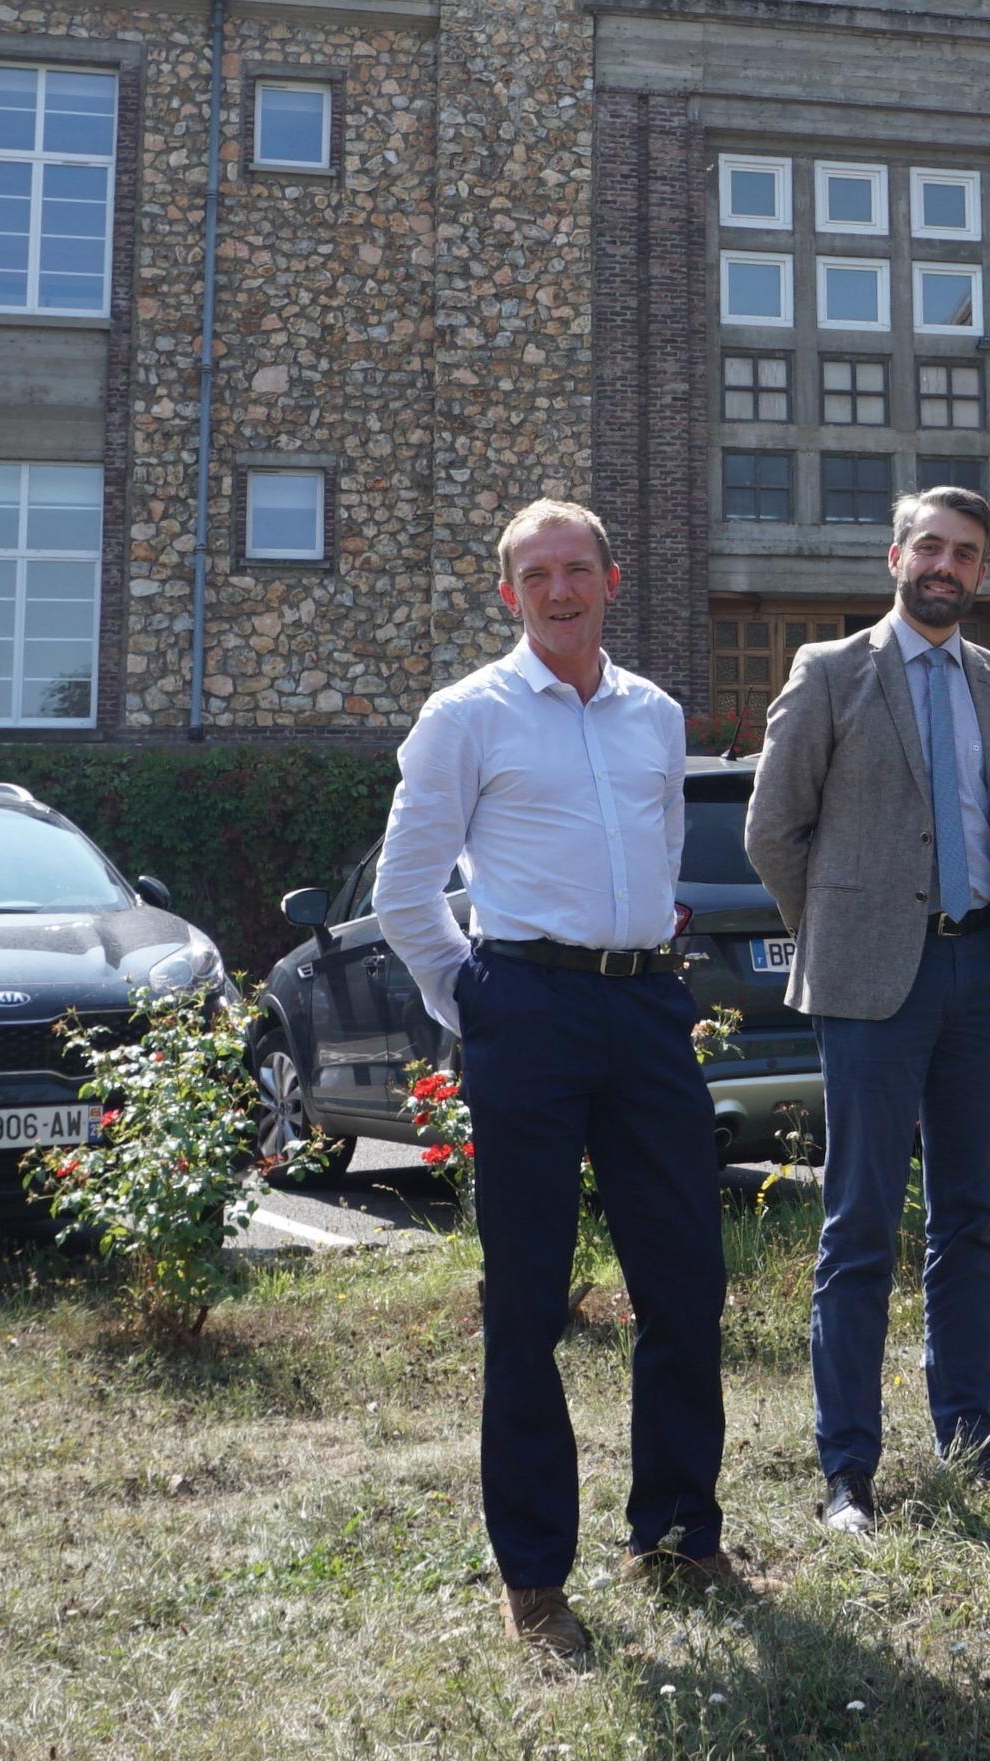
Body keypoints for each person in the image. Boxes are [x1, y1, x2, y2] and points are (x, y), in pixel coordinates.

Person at [374, 498, 769, 1666]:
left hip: (645, 1010)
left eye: (576, 569)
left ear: (611, 578)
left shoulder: (654, 714)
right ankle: (536, 1577)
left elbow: (656, 856)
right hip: (528, 1010)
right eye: (535, 574)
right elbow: (405, 892)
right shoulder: (465, 717)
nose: (558, 590)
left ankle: (679, 1534)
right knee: (530, 1300)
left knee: (685, 1284)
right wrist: (483, 1003)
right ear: (510, 593)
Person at [744, 485, 990, 1537]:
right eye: (931, 547)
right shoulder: (830, 672)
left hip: (986, 974)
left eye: (966, 553)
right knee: (860, 1222)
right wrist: (843, 930)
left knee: (972, 1219)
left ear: (981, 571)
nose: (946, 567)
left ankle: (968, 1438)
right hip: (873, 983)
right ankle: (848, 1471)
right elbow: (773, 832)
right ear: (895, 555)